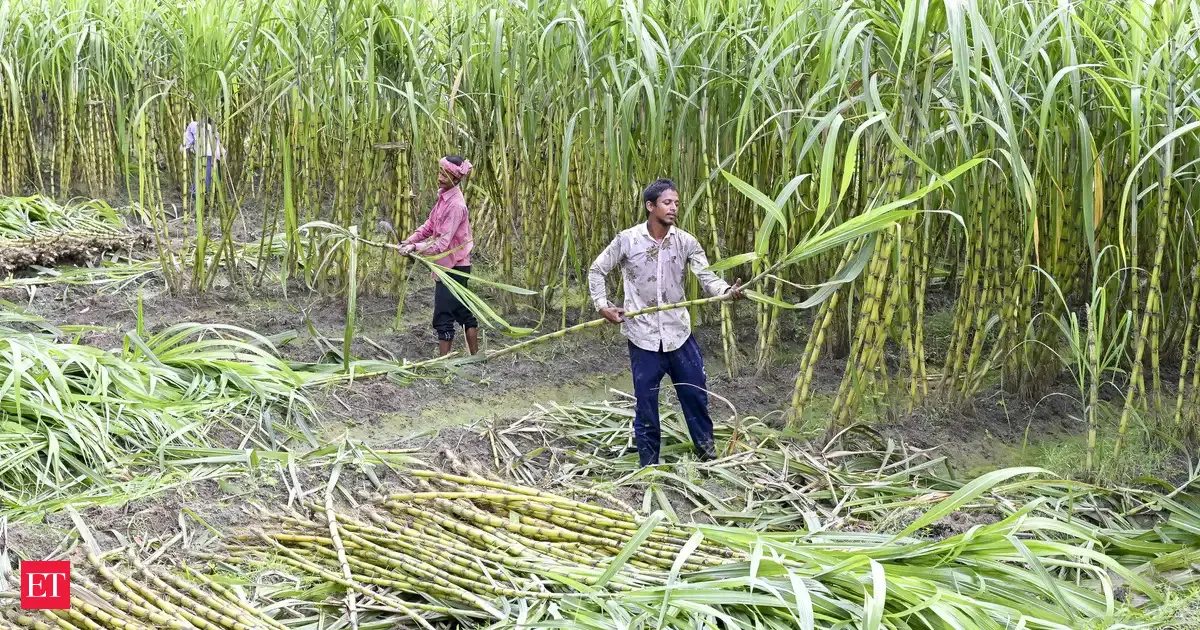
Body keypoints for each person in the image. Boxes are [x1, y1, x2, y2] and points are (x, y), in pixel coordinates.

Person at [588, 178, 744, 467]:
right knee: (646, 406)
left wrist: (727, 292)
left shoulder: (686, 242)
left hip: (678, 334)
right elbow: (597, 270)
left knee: (695, 397)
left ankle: (707, 459)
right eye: (667, 202)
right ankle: (649, 468)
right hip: (643, 337)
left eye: (676, 203)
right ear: (650, 206)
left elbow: (707, 276)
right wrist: (603, 306)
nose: (673, 208)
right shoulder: (628, 240)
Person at [398, 155, 478, 357]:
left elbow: (442, 243)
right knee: (461, 311)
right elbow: (430, 225)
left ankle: (444, 364)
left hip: (455, 267)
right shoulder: (443, 198)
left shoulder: (456, 206)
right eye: (441, 172)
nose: (440, 177)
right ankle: (476, 357)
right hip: (447, 266)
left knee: (443, 316)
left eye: (446, 174)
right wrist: (409, 241)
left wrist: (415, 248)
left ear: (457, 179)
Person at [179, 117, 225, 199]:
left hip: (204, 156)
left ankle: (199, 197)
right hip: (218, 157)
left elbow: (186, 142)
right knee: (215, 180)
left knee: (202, 179)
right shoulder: (212, 127)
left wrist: (183, 149)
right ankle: (213, 199)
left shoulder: (193, 125)